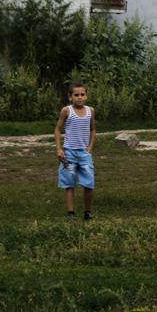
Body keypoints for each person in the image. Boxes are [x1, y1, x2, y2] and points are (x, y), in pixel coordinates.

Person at [56, 82, 96, 221]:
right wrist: (59, 149)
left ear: (86, 96)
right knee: (69, 183)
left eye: (82, 94)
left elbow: (92, 129)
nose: (80, 97)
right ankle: (70, 213)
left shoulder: (90, 110)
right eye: (76, 95)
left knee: (88, 183)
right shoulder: (66, 111)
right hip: (69, 154)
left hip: (84, 153)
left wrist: (90, 147)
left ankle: (87, 213)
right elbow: (58, 129)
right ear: (70, 97)